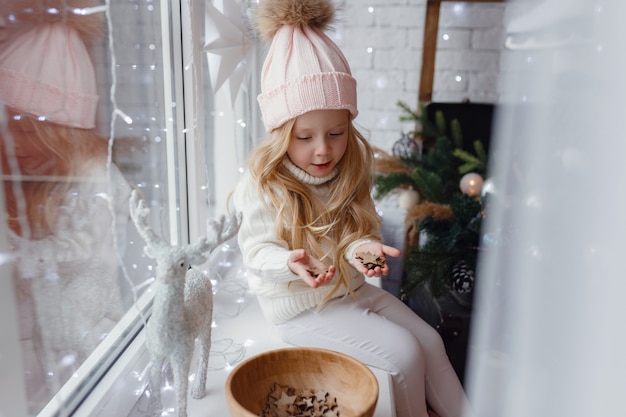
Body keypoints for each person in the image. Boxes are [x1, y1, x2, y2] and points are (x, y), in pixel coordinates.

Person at [229, 1, 472, 417]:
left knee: (429, 341)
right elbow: (256, 251)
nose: (323, 149)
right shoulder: (262, 183)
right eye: (304, 136)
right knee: (404, 353)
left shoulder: (349, 168)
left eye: (336, 133)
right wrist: (290, 262)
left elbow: (360, 228)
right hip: (302, 307)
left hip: (350, 289)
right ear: (279, 132)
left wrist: (363, 249)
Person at [0, 2, 131, 409]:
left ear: (63, 135)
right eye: (8, 124)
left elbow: (83, 275)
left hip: (84, 376)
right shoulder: (12, 174)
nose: (17, 144)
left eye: (36, 131)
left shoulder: (93, 184)